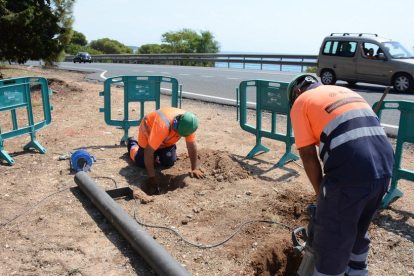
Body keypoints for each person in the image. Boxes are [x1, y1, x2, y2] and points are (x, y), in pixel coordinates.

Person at [289, 75, 394, 276]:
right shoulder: (346, 92)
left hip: (351, 173)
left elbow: (308, 156)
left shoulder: (302, 101)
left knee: (332, 241)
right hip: (384, 168)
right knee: (357, 230)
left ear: (297, 92)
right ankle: (357, 272)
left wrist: (323, 196)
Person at [127, 107, 206, 192]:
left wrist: (195, 168)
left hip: (165, 140)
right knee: (142, 162)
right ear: (175, 123)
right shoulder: (162, 126)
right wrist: (152, 177)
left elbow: (191, 145)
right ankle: (132, 144)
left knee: (169, 162)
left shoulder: (189, 124)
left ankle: (156, 155)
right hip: (149, 133)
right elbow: (148, 151)